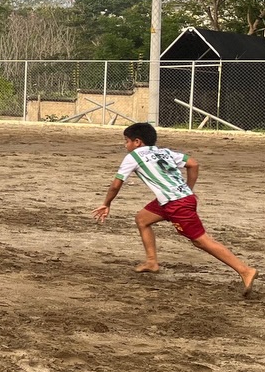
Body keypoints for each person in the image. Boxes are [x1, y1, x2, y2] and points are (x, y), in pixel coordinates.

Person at [93, 121, 256, 292]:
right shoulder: (164, 152)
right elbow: (193, 163)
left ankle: (245, 270)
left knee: (201, 241)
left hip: (175, 203)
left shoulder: (133, 157)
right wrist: (188, 189)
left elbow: (115, 185)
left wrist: (106, 203)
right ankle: (151, 262)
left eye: (126, 141)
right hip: (177, 198)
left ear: (137, 142)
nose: (125, 145)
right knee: (142, 219)